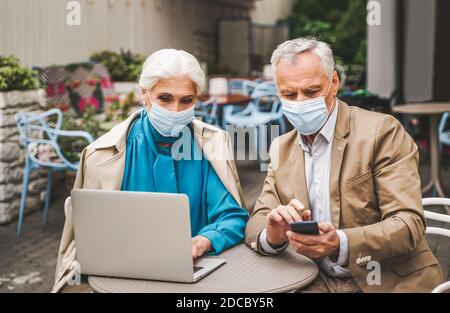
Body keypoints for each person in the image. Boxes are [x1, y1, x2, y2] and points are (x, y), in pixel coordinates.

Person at [245, 37, 444, 292]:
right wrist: (272, 235)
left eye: (312, 91)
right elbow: (257, 220)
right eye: (289, 94)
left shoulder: (382, 132)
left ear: (334, 83)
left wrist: (340, 242)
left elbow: (408, 224)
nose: (301, 102)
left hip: (387, 278)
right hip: (316, 278)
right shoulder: (281, 148)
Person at [53, 49, 249, 293]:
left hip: (199, 276)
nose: (176, 110)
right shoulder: (101, 154)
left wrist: (202, 241)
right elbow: (88, 237)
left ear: (196, 99)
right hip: (124, 278)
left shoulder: (212, 146)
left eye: (186, 100)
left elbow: (233, 216)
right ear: (144, 94)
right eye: (165, 98)